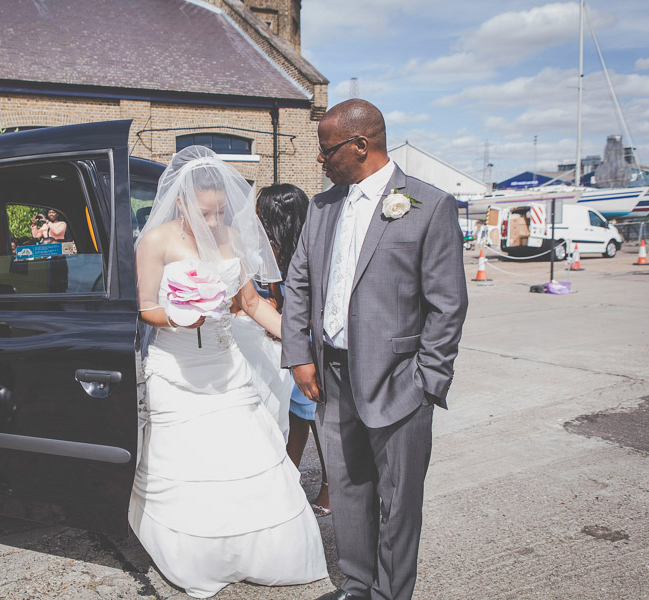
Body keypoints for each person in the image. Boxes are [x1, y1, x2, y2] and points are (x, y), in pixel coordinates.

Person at [281, 99, 468, 600]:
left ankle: (391, 593)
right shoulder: (322, 207)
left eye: (327, 150)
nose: (320, 160)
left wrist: (428, 378)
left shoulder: (429, 205)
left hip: (398, 379)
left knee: (398, 499)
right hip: (331, 376)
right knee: (346, 487)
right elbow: (298, 283)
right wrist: (300, 355)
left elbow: (447, 306)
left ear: (361, 145)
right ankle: (357, 585)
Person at [130, 146, 327, 598]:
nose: (216, 221)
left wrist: (302, 345)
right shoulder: (156, 240)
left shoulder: (232, 241)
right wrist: (179, 316)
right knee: (185, 461)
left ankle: (254, 551)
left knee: (245, 454)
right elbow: (147, 308)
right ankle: (199, 554)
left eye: (221, 211)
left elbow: (253, 303)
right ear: (181, 203)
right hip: (175, 367)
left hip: (225, 365)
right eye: (206, 212)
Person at [256, 183, 331, 518]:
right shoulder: (269, 251)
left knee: (318, 420)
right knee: (295, 415)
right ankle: (290, 476)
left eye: (262, 215)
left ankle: (332, 488)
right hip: (281, 346)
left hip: (310, 347)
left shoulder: (314, 251)